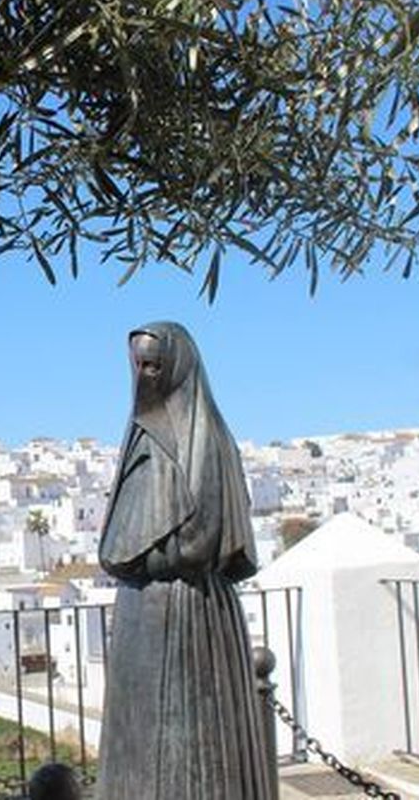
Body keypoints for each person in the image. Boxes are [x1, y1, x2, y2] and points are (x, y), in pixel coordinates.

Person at [96, 321, 273, 799]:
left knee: (192, 742)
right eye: (138, 365)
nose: (145, 374)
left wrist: (140, 554)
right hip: (143, 615)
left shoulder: (206, 438)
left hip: (189, 611)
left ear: (178, 366)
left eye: (154, 365)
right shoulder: (141, 435)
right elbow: (119, 535)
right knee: (136, 740)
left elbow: (198, 538)